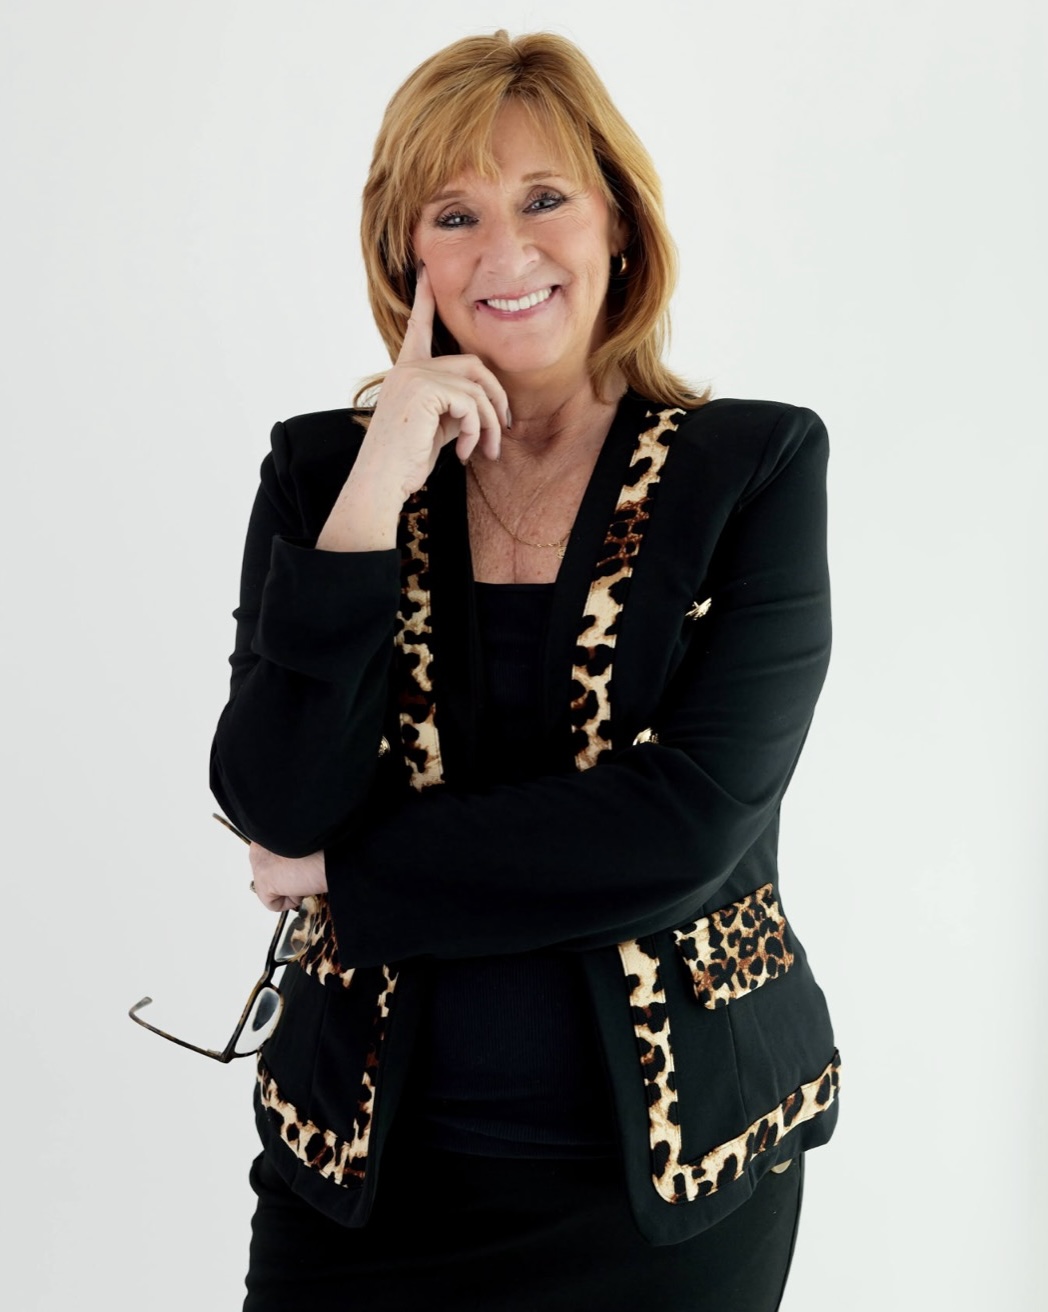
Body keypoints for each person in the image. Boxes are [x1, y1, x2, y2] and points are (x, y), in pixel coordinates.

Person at [210, 29, 840, 1312]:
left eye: (544, 198)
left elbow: (683, 825)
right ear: (409, 259)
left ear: (616, 221)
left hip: (663, 1196)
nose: (507, 253)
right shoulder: (322, 477)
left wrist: (350, 869)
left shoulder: (754, 469)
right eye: (456, 214)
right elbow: (276, 792)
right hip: (361, 1183)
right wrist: (381, 475)